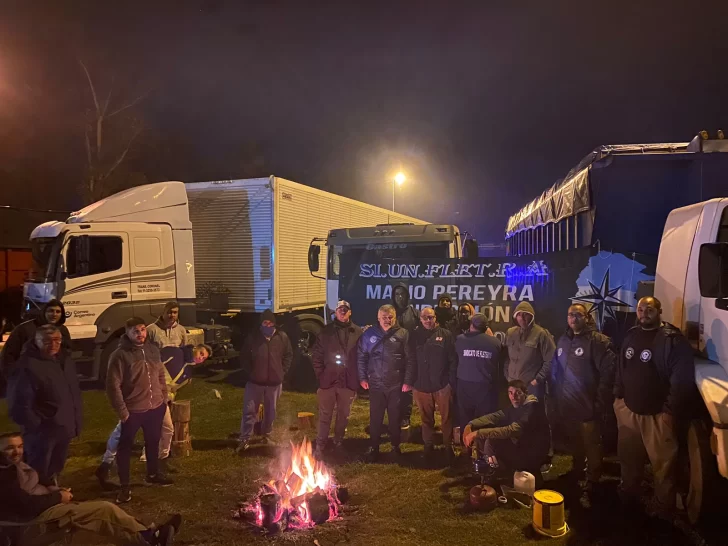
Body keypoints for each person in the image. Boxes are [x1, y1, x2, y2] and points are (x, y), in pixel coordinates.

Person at [0, 432, 181, 546]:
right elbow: (25, 505)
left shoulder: (14, 465)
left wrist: (55, 488)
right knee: (103, 510)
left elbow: (40, 478)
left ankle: (149, 537)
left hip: (45, 509)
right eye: (10, 448)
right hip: (32, 523)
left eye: (20, 446)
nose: (17, 452)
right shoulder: (4, 475)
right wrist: (58, 497)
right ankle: (150, 537)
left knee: (99, 520)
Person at [613, 296, 696, 514]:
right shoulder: (631, 335)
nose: (644, 313)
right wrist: (618, 398)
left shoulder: (672, 341)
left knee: (663, 466)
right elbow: (621, 367)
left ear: (659, 311)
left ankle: (663, 506)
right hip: (629, 411)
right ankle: (629, 494)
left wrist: (670, 411)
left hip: (657, 416)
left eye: (649, 309)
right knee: (629, 459)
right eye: (640, 309)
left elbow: (681, 380)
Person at [96, 344, 211, 488]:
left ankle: (160, 464)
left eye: (204, 358)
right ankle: (106, 464)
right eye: (201, 353)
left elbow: (171, 387)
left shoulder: (187, 372)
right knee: (123, 431)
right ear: (195, 347)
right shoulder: (174, 352)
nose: (200, 357)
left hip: (159, 402)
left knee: (168, 429)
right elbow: (152, 368)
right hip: (140, 398)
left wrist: (166, 397)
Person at [550, 303, 616, 493]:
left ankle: (593, 479)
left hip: (589, 407)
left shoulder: (598, 341)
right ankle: (577, 470)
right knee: (575, 442)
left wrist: (599, 403)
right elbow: (556, 370)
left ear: (587, 317)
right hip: (569, 406)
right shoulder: (563, 340)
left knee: (592, 445)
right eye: (570, 315)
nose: (573, 318)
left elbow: (608, 375)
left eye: (578, 315)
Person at [107, 317, 172, 504]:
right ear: (127, 332)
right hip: (133, 410)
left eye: (142, 329)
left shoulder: (152, 350)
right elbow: (113, 386)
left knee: (153, 441)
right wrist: (123, 412)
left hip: (155, 408)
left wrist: (163, 397)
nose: (140, 334)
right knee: (125, 448)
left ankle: (153, 473)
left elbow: (160, 373)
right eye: (135, 330)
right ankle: (125, 486)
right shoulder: (120, 355)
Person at [7, 325, 82, 486]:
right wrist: (37, 425)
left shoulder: (64, 361)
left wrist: (74, 421)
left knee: (56, 467)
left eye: (57, 340)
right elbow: (19, 404)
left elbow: (71, 393)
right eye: (46, 341)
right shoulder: (26, 366)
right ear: (36, 341)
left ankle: (54, 494)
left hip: (64, 426)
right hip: (42, 433)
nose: (53, 344)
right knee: (38, 471)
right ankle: (37, 501)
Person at [357, 304, 414, 462]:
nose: (387, 320)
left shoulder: (403, 334)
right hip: (375, 384)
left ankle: (395, 447)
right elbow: (361, 356)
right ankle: (374, 447)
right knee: (375, 417)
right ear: (378, 317)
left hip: (396, 384)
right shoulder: (369, 334)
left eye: (390, 317)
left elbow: (410, 359)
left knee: (395, 417)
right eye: (384, 317)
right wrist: (362, 378)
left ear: (395, 317)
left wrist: (407, 381)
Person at [463, 380, 550, 480]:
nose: (514, 397)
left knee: (490, 441)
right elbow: (495, 416)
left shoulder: (532, 408)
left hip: (533, 454)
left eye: (518, 393)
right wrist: (471, 424)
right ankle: (490, 470)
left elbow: (512, 430)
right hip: (522, 446)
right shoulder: (516, 407)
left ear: (525, 393)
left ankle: (494, 474)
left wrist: (477, 433)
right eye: (510, 393)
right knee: (483, 439)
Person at [236, 309, 293, 453]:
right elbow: (244, 356)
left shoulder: (282, 337)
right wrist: (251, 371)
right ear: (261, 324)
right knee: (249, 411)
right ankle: (245, 438)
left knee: (271, 412)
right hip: (255, 382)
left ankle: (266, 435)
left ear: (274, 323)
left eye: (270, 322)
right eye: (264, 322)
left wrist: (282, 371)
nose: (267, 325)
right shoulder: (253, 337)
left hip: (274, 383)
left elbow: (288, 355)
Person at [407, 306, 458, 464]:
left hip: (442, 386)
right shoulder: (414, 335)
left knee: (446, 418)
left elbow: (453, 360)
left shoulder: (446, 335)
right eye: (425, 318)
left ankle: (448, 446)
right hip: (421, 386)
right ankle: (428, 446)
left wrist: (450, 382)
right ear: (420, 319)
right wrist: (412, 381)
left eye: (431, 317)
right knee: (426, 419)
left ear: (436, 318)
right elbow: (410, 359)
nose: (428, 321)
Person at [312, 300, 362, 458]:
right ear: (336, 311)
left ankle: (338, 442)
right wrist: (322, 375)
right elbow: (317, 356)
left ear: (350, 312)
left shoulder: (357, 332)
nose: (342, 312)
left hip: (348, 383)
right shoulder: (326, 332)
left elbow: (362, 357)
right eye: (340, 309)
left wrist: (357, 377)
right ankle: (321, 444)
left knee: (343, 415)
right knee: (325, 415)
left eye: (345, 310)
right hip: (328, 382)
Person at [454, 314, 503, 431]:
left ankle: (466, 447)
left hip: (464, 384)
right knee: (484, 419)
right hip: (486, 386)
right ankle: (482, 447)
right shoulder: (495, 342)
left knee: (465, 418)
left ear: (471, 325)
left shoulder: (460, 339)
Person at [1, 299, 71, 379]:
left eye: (58, 312)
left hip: (52, 377)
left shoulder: (63, 330)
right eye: (51, 311)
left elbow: (67, 353)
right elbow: (8, 355)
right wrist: (13, 376)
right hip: (26, 378)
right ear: (44, 312)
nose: (54, 314)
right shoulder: (24, 329)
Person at [504, 302, 555, 400]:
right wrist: (507, 375)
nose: (522, 318)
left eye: (525, 314)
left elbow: (551, 359)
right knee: (515, 413)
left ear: (531, 316)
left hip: (531, 387)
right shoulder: (510, 333)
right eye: (519, 314)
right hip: (513, 386)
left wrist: (537, 380)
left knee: (530, 413)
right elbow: (505, 357)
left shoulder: (541, 334)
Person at [391, 284, 418, 430]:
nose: (399, 297)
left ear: (407, 295)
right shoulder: (390, 312)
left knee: (406, 389)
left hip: (408, 357)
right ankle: (394, 417)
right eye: (397, 294)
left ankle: (405, 418)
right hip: (392, 357)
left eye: (402, 294)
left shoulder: (414, 312)